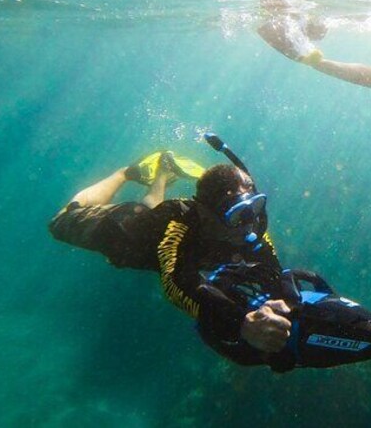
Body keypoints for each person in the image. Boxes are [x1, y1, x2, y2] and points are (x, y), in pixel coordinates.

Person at [49, 150, 293, 358]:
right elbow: (176, 281)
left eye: (255, 207)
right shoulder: (179, 225)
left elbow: (272, 268)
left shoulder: (250, 226)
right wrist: (241, 322)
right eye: (238, 214)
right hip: (123, 233)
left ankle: (164, 169)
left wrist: (283, 300)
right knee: (61, 219)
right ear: (204, 213)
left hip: (151, 223)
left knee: (149, 208)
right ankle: (124, 173)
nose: (249, 223)